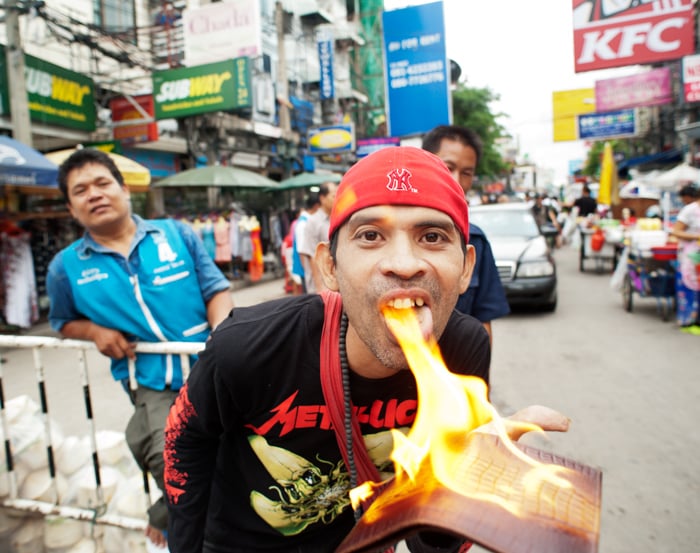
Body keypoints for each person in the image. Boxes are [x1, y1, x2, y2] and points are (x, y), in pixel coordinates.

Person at [163, 147, 569, 553]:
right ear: (330, 267)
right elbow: (186, 441)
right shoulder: (247, 346)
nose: (404, 264)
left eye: (432, 237)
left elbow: (431, 542)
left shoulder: (463, 348)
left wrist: (461, 482)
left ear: (465, 269)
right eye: (370, 236)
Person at [46, 148, 234, 548]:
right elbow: (63, 323)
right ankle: (194, 528)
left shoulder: (177, 234)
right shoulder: (66, 267)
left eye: (102, 183)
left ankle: (175, 517)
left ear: (122, 188)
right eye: (81, 190)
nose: (94, 194)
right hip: (151, 380)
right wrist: (94, 331)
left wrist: (222, 337)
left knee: (235, 446)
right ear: (70, 207)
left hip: (211, 366)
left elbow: (217, 291)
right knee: (165, 454)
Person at [422, 125, 510, 344]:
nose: (456, 180)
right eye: (448, 167)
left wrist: (482, 377)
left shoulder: (475, 242)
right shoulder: (386, 231)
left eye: (467, 173)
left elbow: (482, 322)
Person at [297, 180, 338, 293]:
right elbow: (311, 256)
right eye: (334, 195)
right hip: (321, 284)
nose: (337, 199)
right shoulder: (313, 222)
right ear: (322, 198)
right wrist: (319, 287)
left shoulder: (337, 218)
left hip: (336, 280)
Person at [669, 184, 700, 332]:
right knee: (689, 286)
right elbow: (676, 232)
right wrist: (696, 236)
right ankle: (687, 320)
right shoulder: (690, 210)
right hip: (691, 256)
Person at [290, 194, 320, 294]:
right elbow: (302, 251)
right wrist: (309, 275)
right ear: (317, 206)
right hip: (306, 271)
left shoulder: (305, 221)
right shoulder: (304, 224)